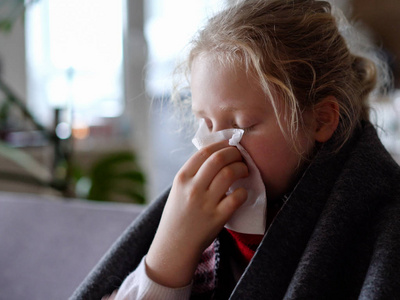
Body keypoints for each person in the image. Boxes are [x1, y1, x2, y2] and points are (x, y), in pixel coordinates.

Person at [71, 0, 400, 299]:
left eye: (241, 125)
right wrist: (170, 252)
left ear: (320, 121)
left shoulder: (382, 223)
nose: (215, 146)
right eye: (207, 123)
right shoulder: (194, 218)